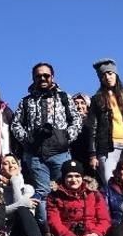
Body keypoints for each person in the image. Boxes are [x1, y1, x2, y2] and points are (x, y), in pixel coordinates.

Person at [11, 62, 83, 197]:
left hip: (60, 152)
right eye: (38, 76)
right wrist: (26, 139)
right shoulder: (26, 101)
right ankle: (45, 219)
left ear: (52, 77)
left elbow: (77, 119)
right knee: (43, 192)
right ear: (33, 78)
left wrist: (67, 137)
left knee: (64, 190)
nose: (42, 78)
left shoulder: (64, 97)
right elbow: (15, 124)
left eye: (46, 75)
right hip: (35, 155)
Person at [45, 160, 116, 236]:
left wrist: (94, 234)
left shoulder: (94, 194)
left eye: (77, 176)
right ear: (64, 177)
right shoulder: (54, 196)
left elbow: (104, 219)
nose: (74, 180)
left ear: (82, 177)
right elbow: (54, 222)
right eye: (69, 176)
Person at [85, 59, 123, 188]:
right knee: (111, 185)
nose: (108, 77)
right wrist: (92, 154)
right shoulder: (97, 99)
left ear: (116, 74)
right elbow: (92, 128)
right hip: (108, 148)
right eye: (104, 75)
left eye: (110, 73)